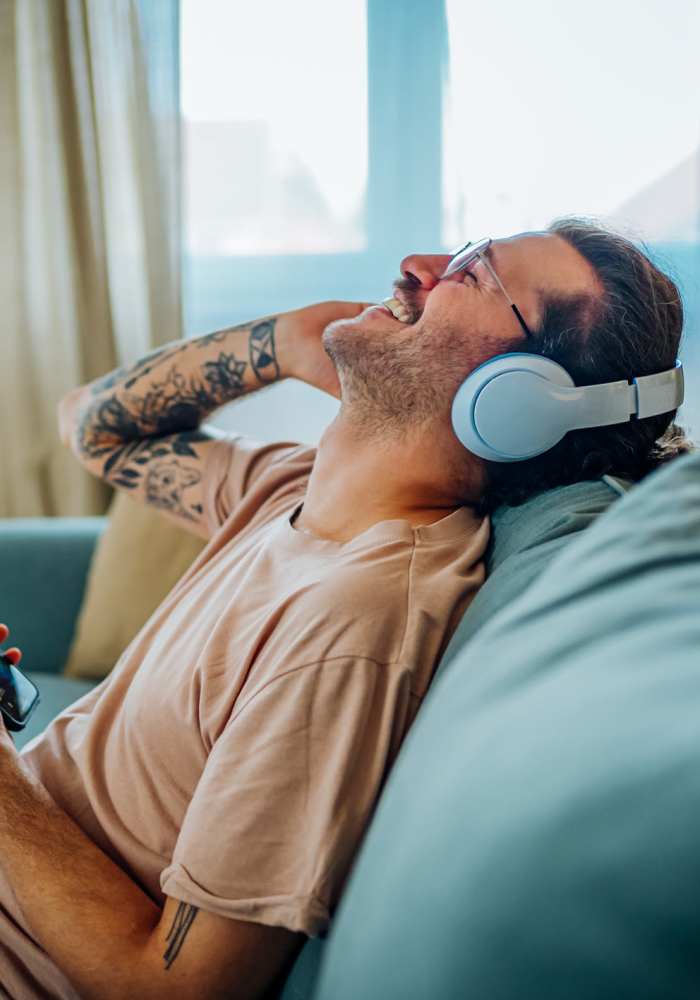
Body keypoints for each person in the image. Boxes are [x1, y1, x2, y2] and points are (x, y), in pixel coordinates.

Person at [0, 218, 691, 999]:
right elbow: (92, 427)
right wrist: (293, 338)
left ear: (518, 402)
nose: (416, 267)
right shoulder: (291, 490)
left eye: (473, 276)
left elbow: (178, 989)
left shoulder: (355, 620)